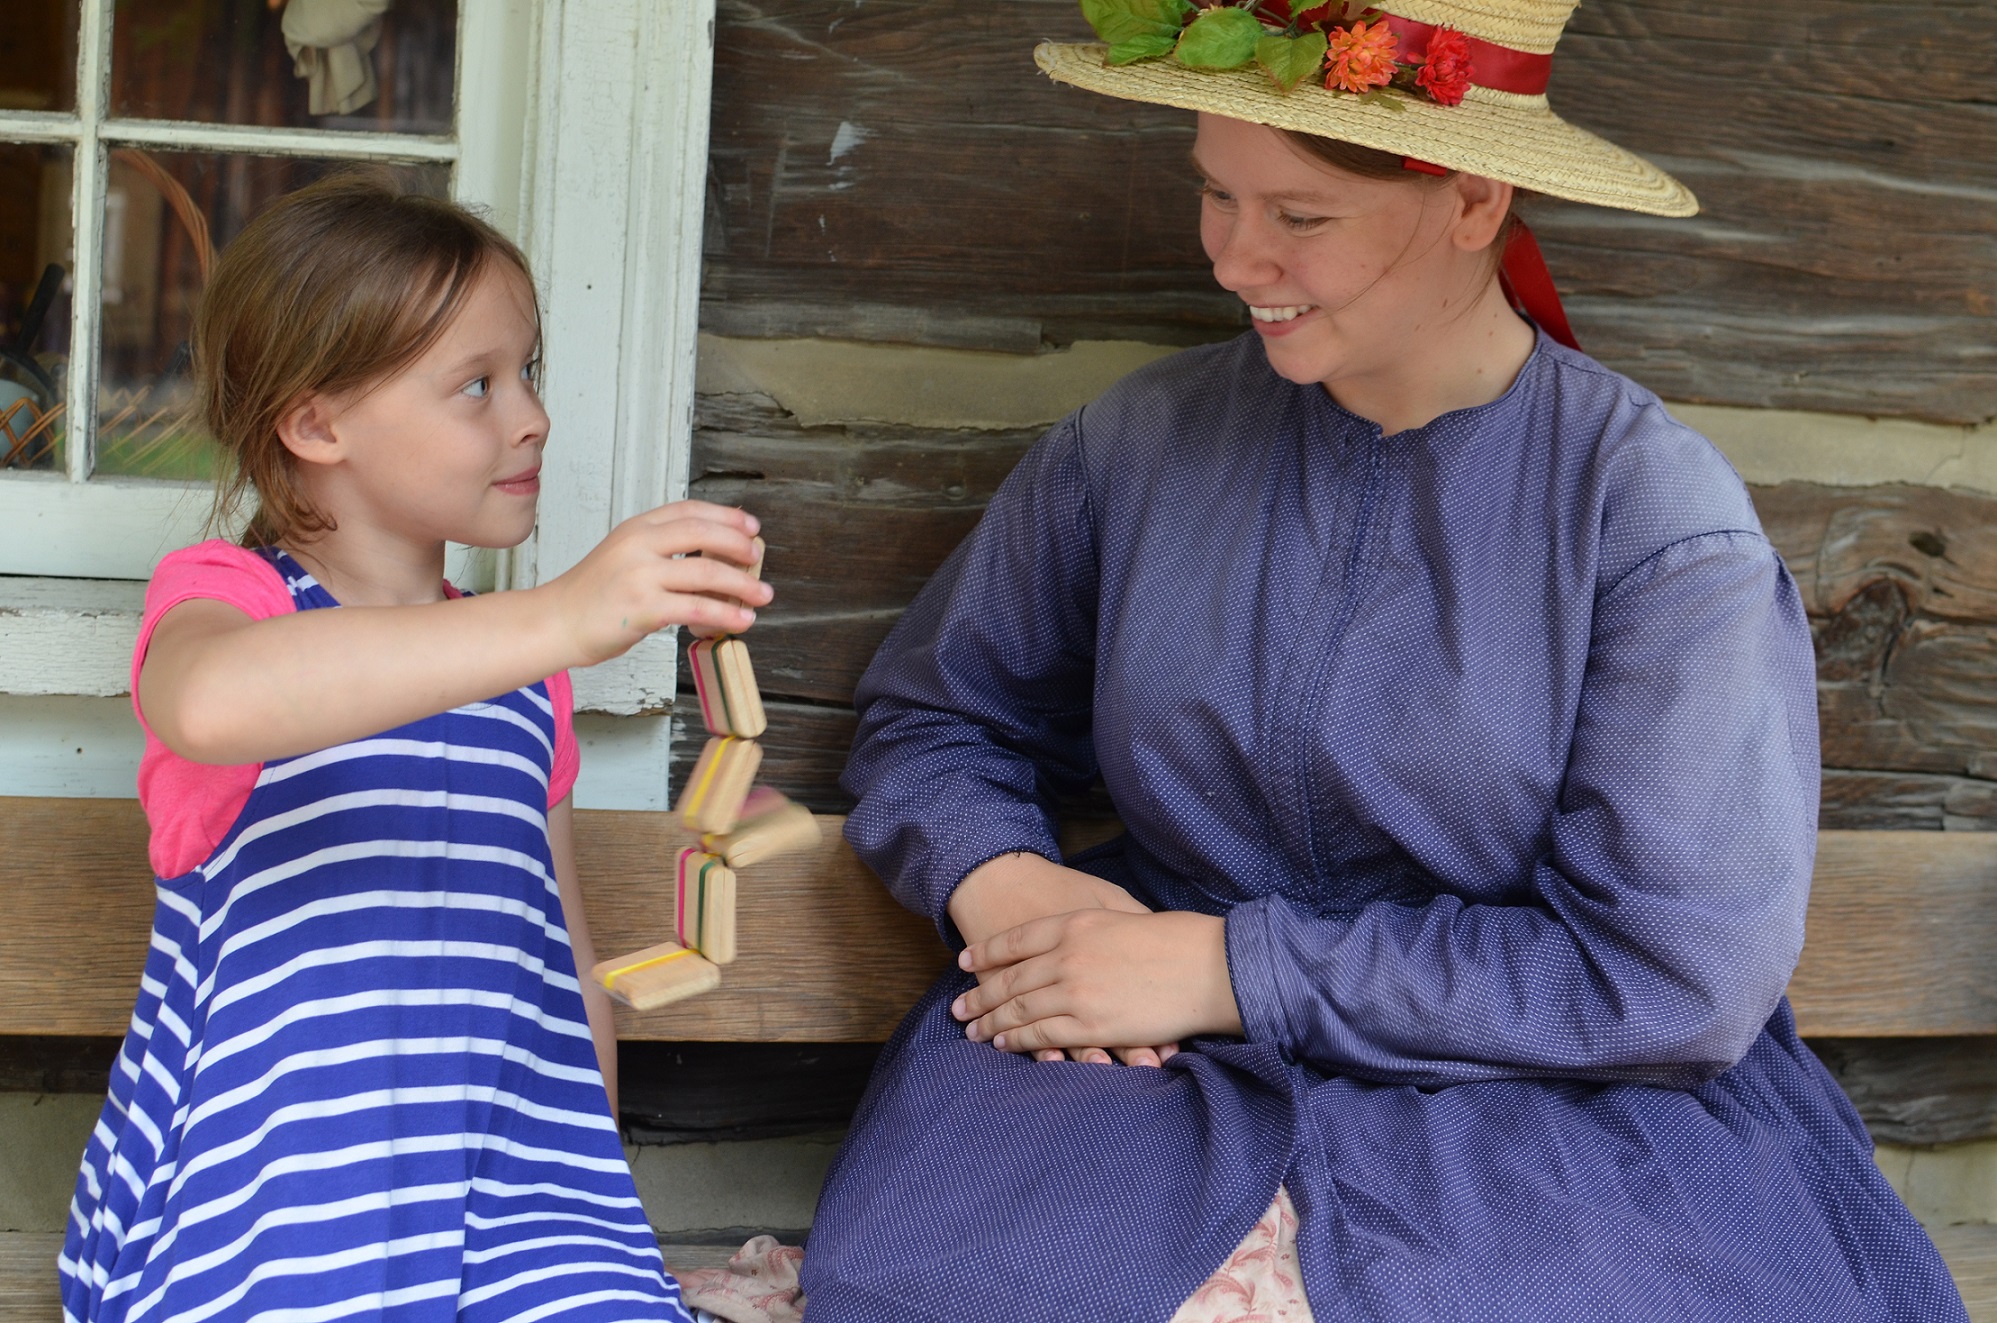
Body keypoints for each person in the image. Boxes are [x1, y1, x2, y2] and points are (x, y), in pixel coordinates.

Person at [802, 2, 1969, 1319]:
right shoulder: (1137, 446)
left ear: (1474, 200)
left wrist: (1230, 967)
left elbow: (1665, 974)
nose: (1239, 259)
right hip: (1134, 1075)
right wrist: (1008, 890)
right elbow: (936, 717)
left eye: (1299, 217)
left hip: (1547, 1108)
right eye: (1215, 195)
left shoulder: (1648, 518)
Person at [59, 173, 772, 1323]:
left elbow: (566, 967)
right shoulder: (228, 604)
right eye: (476, 385)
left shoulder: (522, 677)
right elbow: (210, 707)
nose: (530, 416)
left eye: (527, 372)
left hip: (509, 1199)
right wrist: (564, 615)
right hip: (263, 1198)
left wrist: (607, 1242)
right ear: (315, 423)